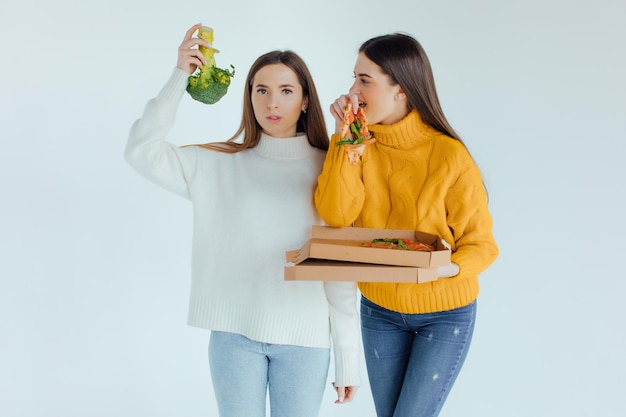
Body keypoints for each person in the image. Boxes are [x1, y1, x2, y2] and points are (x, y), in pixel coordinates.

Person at [125, 24, 360, 417]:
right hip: (234, 339)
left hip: (306, 340)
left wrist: (347, 357)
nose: (273, 102)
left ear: (305, 101)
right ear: (248, 98)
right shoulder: (218, 164)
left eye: (286, 91)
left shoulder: (331, 167)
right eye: (261, 90)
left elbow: (339, 267)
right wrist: (180, 74)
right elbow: (140, 150)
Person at [314, 33, 499, 417]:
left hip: (445, 312)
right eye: (354, 78)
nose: (352, 90)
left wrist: (444, 269)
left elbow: (482, 245)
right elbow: (335, 213)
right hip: (380, 309)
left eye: (365, 80)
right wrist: (344, 140)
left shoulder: (448, 155)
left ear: (400, 89)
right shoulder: (358, 143)